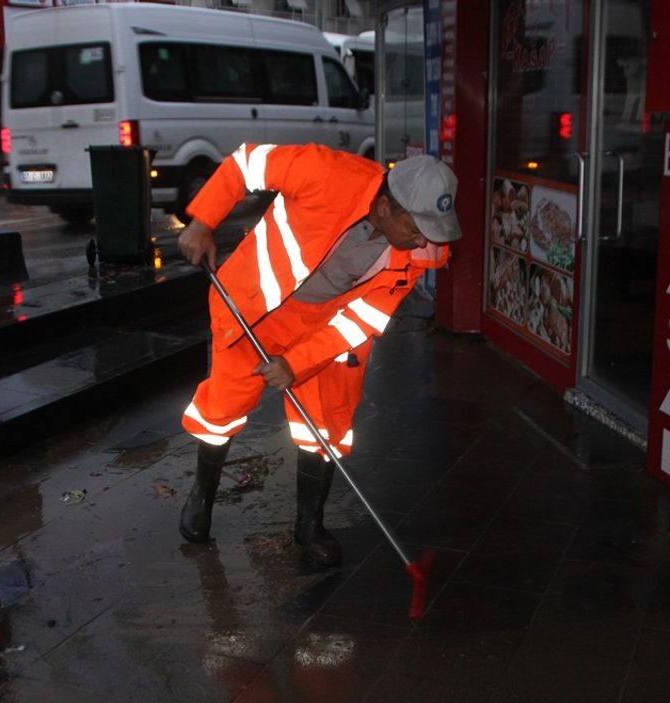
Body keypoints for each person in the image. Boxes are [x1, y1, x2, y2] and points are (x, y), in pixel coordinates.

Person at [177, 143, 461, 566]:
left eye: (433, 229)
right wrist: (202, 222)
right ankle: (203, 494)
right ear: (385, 205)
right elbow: (245, 163)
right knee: (224, 407)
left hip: (328, 328)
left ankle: (309, 526)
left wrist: (297, 364)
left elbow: (363, 318)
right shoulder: (325, 171)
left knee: (327, 424)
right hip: (257, 308)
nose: (423, 239)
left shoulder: (422, 251)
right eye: (416, 227)